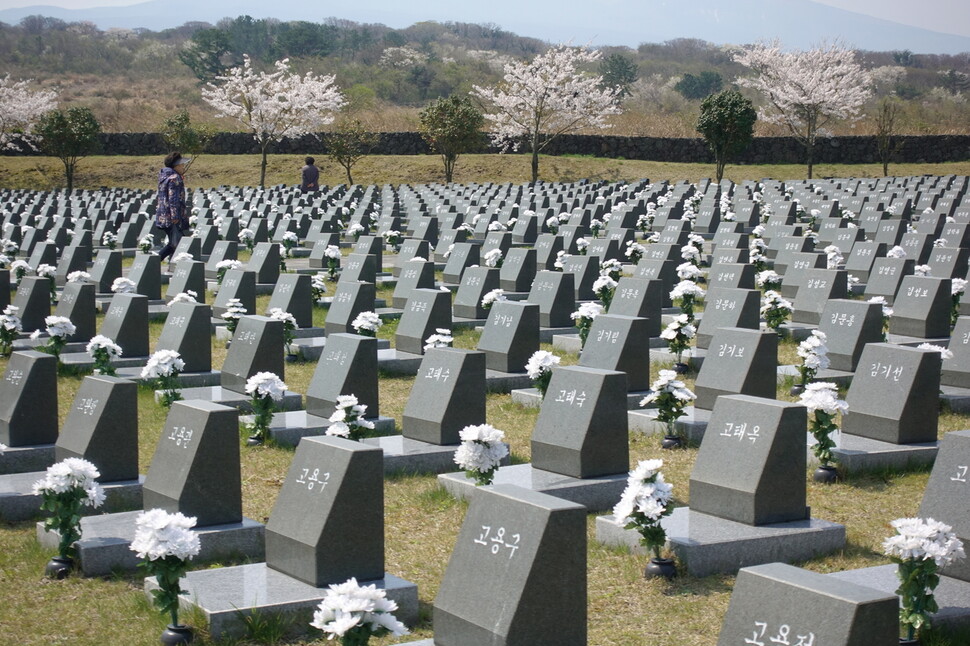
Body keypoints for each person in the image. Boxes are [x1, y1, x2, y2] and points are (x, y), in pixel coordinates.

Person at [155, 151, 190, 265]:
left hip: (163, 215)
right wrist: (175, 216)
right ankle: (152, 263)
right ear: (176, 166)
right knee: (176, 243)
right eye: (181, 165)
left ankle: (173, 266)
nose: (183, 167)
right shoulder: (175, 178)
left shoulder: (164, 176)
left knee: (175, 242)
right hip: (172, 217)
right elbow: (173, 198)